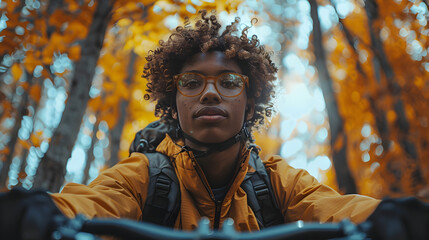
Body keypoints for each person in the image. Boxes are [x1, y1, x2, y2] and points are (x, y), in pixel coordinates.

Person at [0, 10, 428, 240]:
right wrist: (46, 210)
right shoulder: (144, 174)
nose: (209, 94)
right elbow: (94, 199)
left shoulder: (277, 179)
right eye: (191, 82)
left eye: (228, 82)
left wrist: (385, 216)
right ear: (173, 101)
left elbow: (333, 207)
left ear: (250, 98)